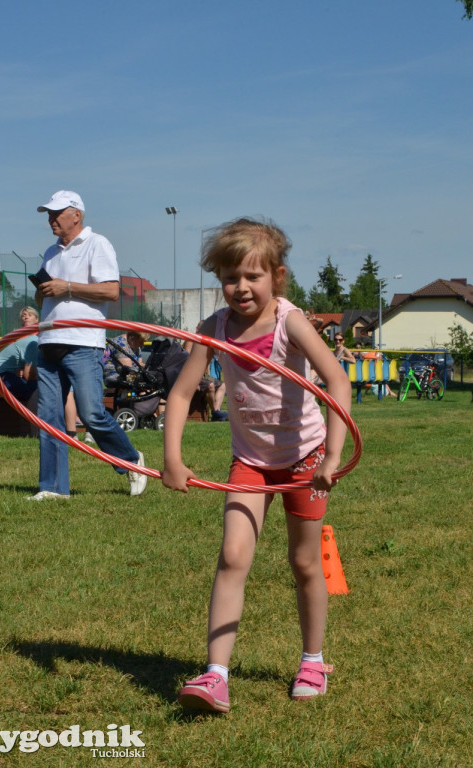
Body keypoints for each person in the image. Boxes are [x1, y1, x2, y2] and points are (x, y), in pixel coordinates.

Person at [162, 217, 352, 712]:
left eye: (252, 276)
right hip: (250, 462)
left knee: (305, 562)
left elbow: (337, 383)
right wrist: (172, 458)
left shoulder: (291, 322)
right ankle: (215, 675)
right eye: (229, 277)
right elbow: (182, 395)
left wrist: (332, 454)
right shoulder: (214, 329)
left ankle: (312, 660)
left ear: (277, 277)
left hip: (305, 461)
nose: (240, 287)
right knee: (232, 557)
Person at [27, 189, 146, 501]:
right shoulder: (50, 252)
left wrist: (67, 287)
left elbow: (110, 291)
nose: (51, 220)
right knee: (49, 419)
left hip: (83, 343)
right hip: (49, 340)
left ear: (76, 215)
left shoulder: (98, 244)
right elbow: (44, 298)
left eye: (56, 214)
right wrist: (43, 291)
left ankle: (131, 460)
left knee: (92, 414)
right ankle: (53, 488)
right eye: (48, 215)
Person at [184, 322, 228, 421]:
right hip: (191, 375)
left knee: (223, 385)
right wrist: (193, 381)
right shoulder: (190, 340)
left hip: (202, 376)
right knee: (210, 385)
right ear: (197, 329)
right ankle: (215, 413)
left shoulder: (207, 342)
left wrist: (207, 375)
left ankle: (216, 410)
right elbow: (185, 359)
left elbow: (206, 363)